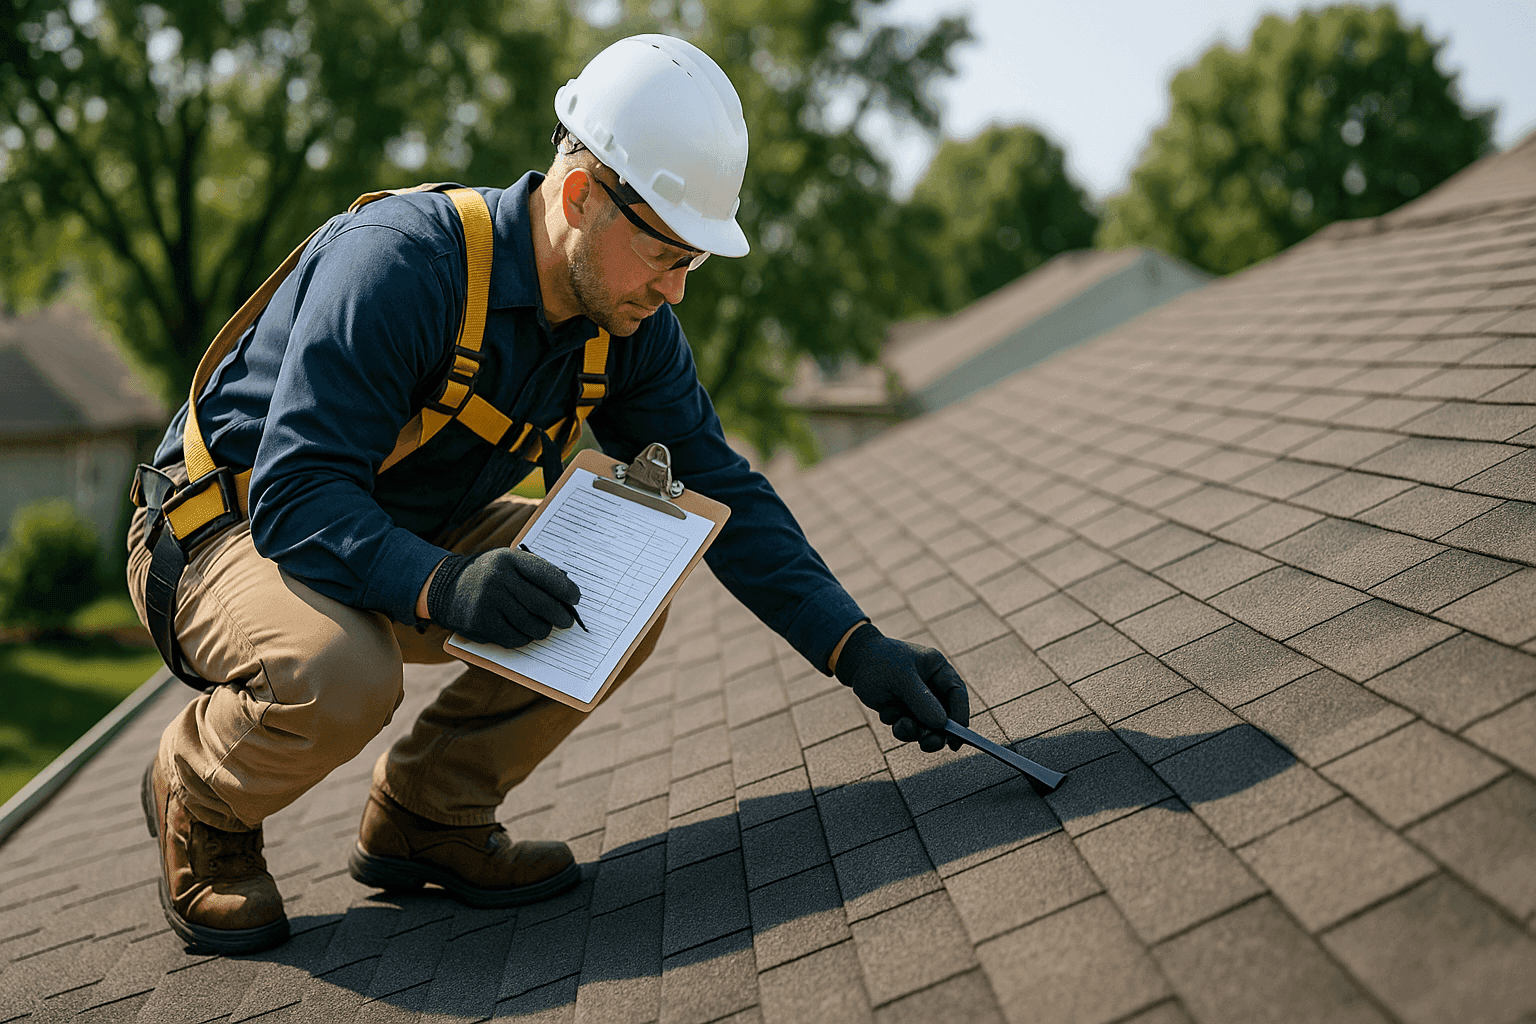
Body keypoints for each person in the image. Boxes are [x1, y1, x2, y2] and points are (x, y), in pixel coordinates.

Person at [127, 34, 970, 956]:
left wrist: (858, 647)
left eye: (695, 262)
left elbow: (722, 485)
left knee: (631, 566)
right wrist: (446, 586)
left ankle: (428, 814)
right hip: (222, 532)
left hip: (391, 527)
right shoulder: (403, 265)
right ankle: (199, 795)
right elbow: (298, 498)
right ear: (580, 197)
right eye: (667, 254)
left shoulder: (628, 320)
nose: (677, 290)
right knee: (343, 673)